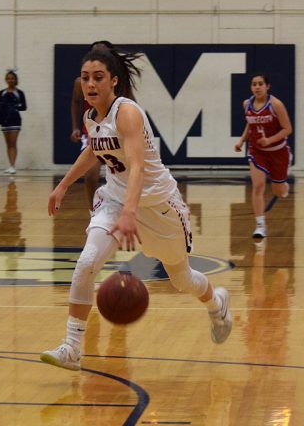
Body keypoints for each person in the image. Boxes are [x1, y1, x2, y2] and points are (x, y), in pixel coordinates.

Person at [40, 46, 232, 371]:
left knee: (181, 279)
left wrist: (131, 213)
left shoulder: (127, 112)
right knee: (87, 263)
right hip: (116, 199)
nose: (90, 84)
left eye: (98, 77)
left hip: (158, 205)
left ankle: (217, 305)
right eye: (86, 77)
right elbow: (94, 153)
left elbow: (137, 167)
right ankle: (72, 347)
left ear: (113, 81)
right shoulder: (91, 117)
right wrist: (63, 185)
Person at [233, 73, 293, 239]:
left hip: (278, 152)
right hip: (257, 152)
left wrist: (270, 140)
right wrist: (241, 141)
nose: (257, 87)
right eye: (254, 84)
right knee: (258, 186)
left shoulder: (276, 104)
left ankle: (284, 187)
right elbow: (250, 124)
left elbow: (287, 129)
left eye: (260, 84)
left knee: (278, 191)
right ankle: (260, 225)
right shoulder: (247, 104)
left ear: (267, 86)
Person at [70, 41, 123, 210]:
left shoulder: (117, 81)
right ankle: (93, 210)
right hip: (93, 130)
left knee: (124, 174)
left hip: (118, 130)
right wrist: (75, 127)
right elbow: (76, 102)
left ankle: (126, 208)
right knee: (90, 175)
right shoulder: (81, 82)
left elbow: (132, 102)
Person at [0, 70, 27, 175]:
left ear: (15, 80)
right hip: (5, 121)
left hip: (15, 120)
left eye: (12, 78)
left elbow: (24, 107)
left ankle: (13, 166)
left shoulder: (19, 93)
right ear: (6, 80)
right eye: (8, 78)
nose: (10, 80)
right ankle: (10, 165)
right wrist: (1, 112)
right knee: (8, 144)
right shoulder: (2, 93)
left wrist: (14, 106)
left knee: (13, 143)